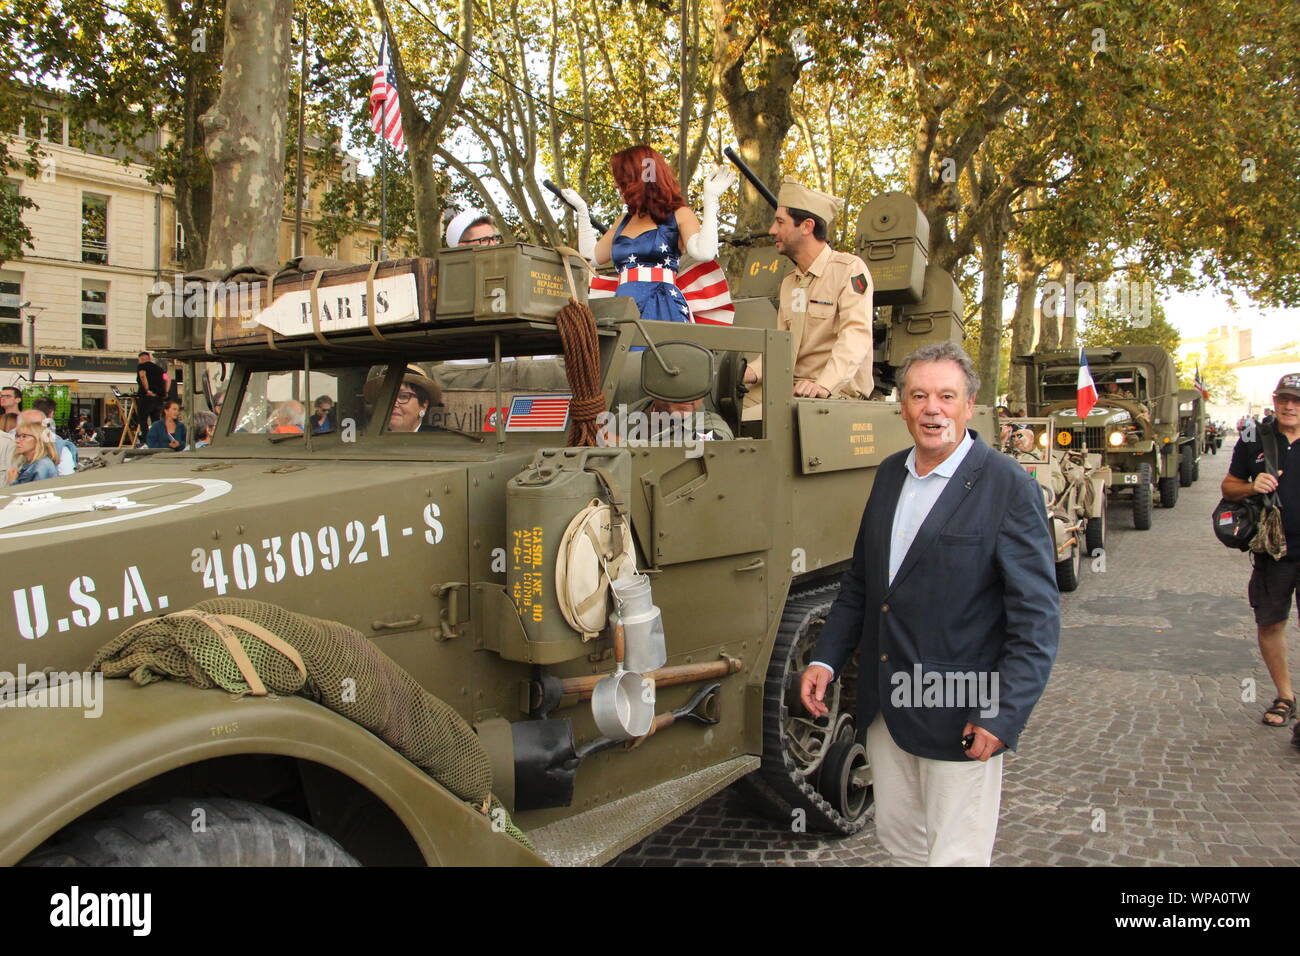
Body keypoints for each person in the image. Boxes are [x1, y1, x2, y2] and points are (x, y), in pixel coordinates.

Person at [800, 341, 1060, 866]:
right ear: (902, 406)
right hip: (886, 711)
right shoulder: (890, 473)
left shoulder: (1009, 487)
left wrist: (1003, 715)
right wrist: (825, 658)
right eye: (919, 396)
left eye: (946, 396)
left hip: (961, 713)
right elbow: (862, 584)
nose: (932, 409)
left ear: (969, 405)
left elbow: (1036, 620)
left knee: (955, 859)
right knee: (904, 852)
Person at [563, 144, 735, 325]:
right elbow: (591, 257)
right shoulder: (624, 220)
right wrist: (582, 212)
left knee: (656, 354)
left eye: (621, 179)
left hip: (662, 307)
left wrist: (711, 200)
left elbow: (705, 253)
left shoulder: (679, 214)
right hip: (622, 306)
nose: (615, 184)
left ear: (637, 179)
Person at [741, 179, 874, 401]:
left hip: (835, 392)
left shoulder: (849, 270)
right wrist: (750, 372)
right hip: (792, 389)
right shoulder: (790, 283)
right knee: (729, 409)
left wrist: (824, 384)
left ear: (806, 226)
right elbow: (782, 347)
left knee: (759, 423)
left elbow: (856, 335)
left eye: (780, 222)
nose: (772, 230)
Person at [1219, 372, 1300, 728]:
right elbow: (1228, 487)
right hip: (1274, 550)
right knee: (1270, 623)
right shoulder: (1255, 439)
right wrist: (1253, 486)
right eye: (1284, 398)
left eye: (1296, 400)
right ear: (1274, 399)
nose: (1289, 406)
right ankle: (1285, 695)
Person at [364, 365, 443, 433]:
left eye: (403, 396)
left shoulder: (440, 439)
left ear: (424, 405)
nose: (393, 404)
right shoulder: (368, 439)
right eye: (387, 397)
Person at [19, 406, 75, 475]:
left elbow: (67, 478)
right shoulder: (11, 445)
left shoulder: (59, 448)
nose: (36, 430)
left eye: (39, 425)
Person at [136, 351, 166, 432]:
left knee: (142, 419)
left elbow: (142, 376)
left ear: (141, 359)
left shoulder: (141, 366)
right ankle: (156, 440)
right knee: (156, 420)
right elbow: (167, 379)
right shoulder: (160, 368)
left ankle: (146, 440)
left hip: (147, 397)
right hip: (158, 397)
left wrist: (147, 389)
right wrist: (165, 392)